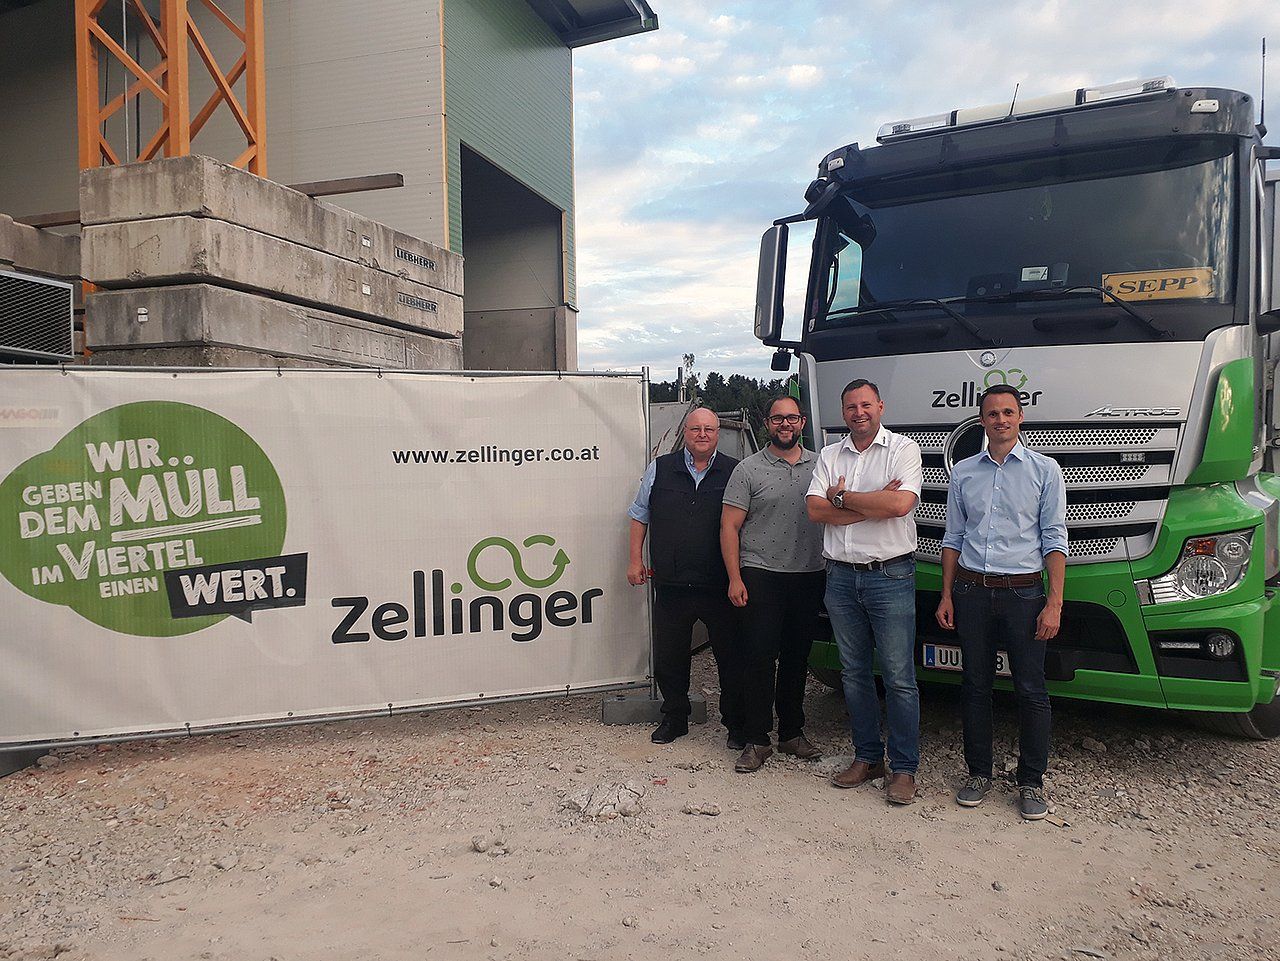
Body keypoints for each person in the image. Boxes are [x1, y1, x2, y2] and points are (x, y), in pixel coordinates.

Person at [934, 383, 1067, 821]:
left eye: (1009, 412)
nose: (1001, 420)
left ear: (1020, 418)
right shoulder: (964, 473)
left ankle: (1031, 781)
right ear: (982, 420)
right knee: (975, 685)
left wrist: (1055, 603)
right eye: (993, 414)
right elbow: (952, 538)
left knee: (1031, 689)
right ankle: (979, 774)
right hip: (971, 592)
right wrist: (947, 594)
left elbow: (1054, 540)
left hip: (1025, 595)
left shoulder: (1045, 471)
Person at [805, 379, 923, 805]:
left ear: (880, 407)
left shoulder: (904, 450)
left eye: (866, 405)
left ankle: (905, 769)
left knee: (898, 678)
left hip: (889, 576)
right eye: (851, 406)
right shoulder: (829, 454)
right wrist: (866, 503)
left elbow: (899, 506)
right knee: (853, 674)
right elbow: (814, 509)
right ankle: (868, 757)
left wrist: (843, 498)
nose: (859, 412)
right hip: (840, 577)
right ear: (844, 412)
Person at [720, 396, 826, 773]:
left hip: (809, 574)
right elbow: (729, 527)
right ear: (767, 423)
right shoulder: (748, 470)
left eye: (792, 418)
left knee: (798, 659)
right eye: (778, 418)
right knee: (759, 659)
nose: (786, 424)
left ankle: (792, 733)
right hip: (761, 574)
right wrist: (735, 577)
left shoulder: (822, 464)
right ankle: (757, 738)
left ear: (802, 422)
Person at [628, 407, 746, 746]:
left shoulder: (734, 471)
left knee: (731, 658)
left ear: (718, 433)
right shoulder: (660, 469)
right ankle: (675, 718)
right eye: (696, 429)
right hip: (672, 584)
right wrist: (634, 560)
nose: (703, 434)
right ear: (686, 432)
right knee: (670, 657)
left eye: (709, 429)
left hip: (719, 585)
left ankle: (735, 726)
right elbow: (639, 516)